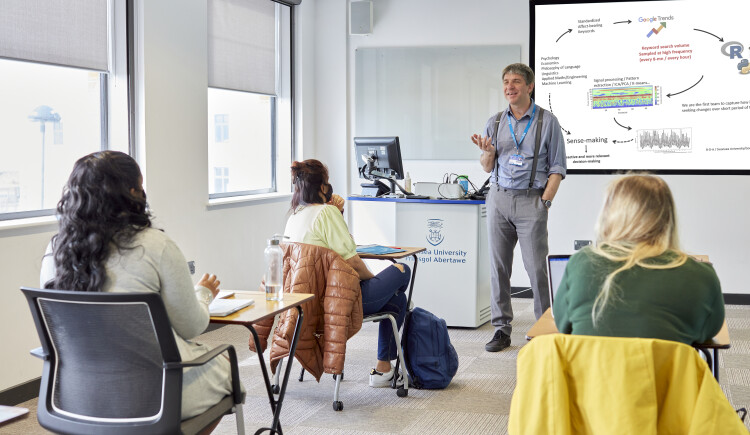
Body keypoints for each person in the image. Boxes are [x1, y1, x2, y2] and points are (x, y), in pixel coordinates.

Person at [40, 151, 239, 423]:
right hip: (154, 396)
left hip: (77, 395)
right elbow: (191, 327)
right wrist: (203, 294)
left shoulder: (55, 253)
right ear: (132, 192)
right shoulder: (155, 246)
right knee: (227, 369)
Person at [553, 174, 725, 344]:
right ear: (667, 217)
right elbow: (706, 332)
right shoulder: (700, 276)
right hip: (664, 372)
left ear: (610, 215)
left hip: (592, 371)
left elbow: (564, 327)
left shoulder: (581, 263)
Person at [283, 159, 411, 387]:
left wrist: (337, 211)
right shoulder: (326, 213)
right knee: (402, 271)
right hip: (337, 305)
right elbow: (353, 262)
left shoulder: (294, 217)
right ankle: (383, 370)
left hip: (304, 306)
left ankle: (384, 369)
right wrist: (379, 283)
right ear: (322, 187)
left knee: (397, 300)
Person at [470, 63, 567, 352]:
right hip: (498, 197)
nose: (509, 87)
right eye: (505, 82)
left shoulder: (548, 122)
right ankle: (501, 329)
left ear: (529, 86)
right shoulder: (496, 121)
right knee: (498, 268)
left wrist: (544, 202)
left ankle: (544, 328)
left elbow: (558, 168)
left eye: (515, 82)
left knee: (537, 268)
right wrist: (487, 154)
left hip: (531, 200)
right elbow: (488, 167)